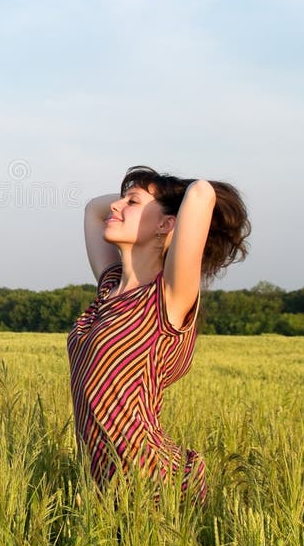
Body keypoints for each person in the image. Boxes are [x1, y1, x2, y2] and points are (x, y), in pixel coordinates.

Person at [67, 165, 250, 503]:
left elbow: (201, 194)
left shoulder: (168, 297)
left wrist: (169, 196)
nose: (116, 207)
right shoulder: (109, 287)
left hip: (153, 483)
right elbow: (93, 207)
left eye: (131, 203)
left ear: (167, 224)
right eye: (121, 200)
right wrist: (143, 201)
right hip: (103, 488)